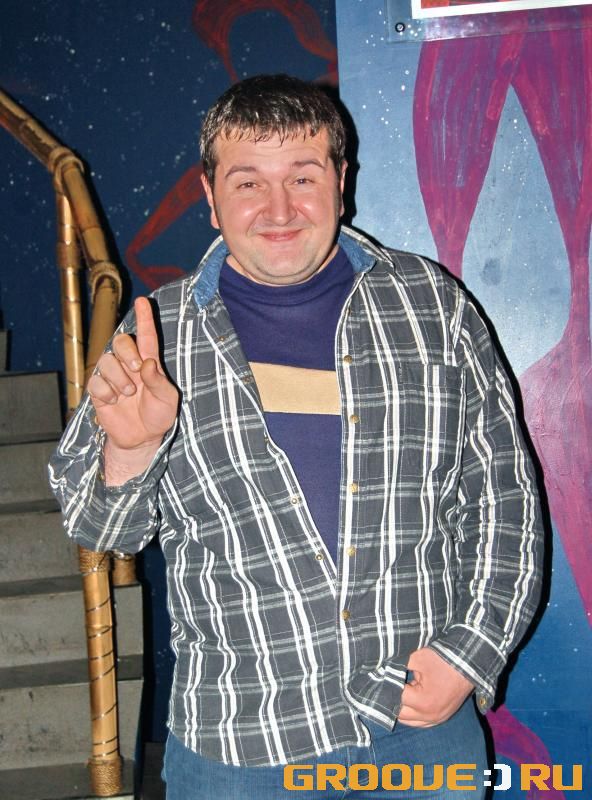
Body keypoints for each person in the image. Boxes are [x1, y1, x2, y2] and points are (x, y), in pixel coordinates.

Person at [49, 74, 543, 799]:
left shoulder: (431, 306)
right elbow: (102, 530)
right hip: (239, 751)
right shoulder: (158, 336)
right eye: (248, 182)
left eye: (303, 177)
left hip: (420, 729)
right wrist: (130, 451)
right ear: (211, 196)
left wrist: (470, 652)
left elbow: (506, 502)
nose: (278, 210)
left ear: (341, 181)